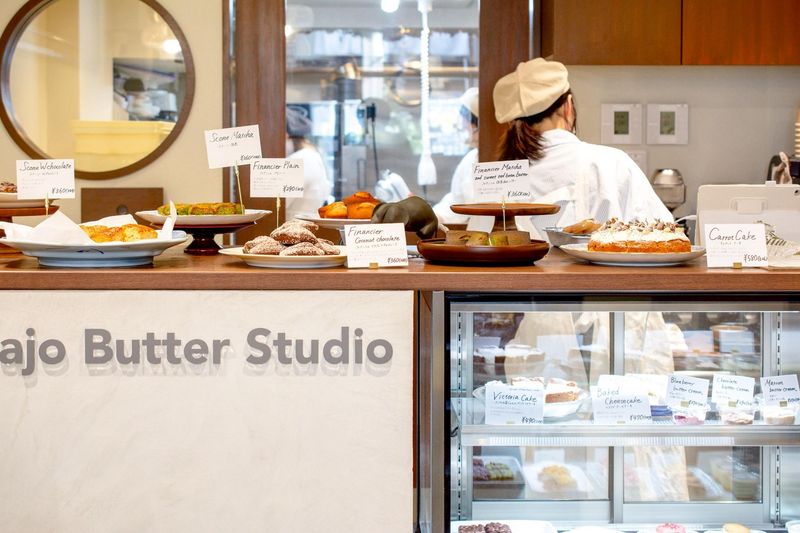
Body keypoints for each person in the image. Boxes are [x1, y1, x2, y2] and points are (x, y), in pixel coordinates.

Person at [492, 58, 672, 234]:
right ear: (568, 106)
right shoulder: (612, 163)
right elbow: (664, 236)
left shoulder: (495, 180)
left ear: (510, 122)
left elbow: (484, 240)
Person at [432, 87, 480, 224]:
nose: (463, 125)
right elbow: (456, 200)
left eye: (465, 120)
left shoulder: (510, 160)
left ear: (478, 124)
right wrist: (433, 216)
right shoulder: (470, 159)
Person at [284, 106, 333, 220]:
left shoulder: (299, 160)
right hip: (303, 224)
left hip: (295, 225)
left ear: (286, 135)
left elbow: (277, 204)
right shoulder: (311, 155)